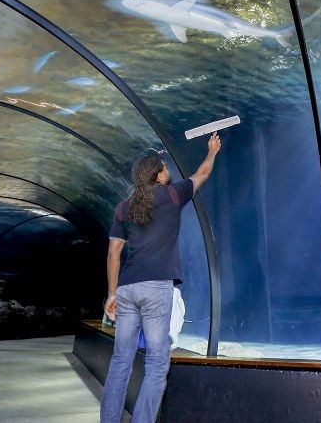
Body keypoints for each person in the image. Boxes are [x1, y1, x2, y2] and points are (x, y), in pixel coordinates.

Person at [100, 132, 221, 423]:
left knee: (121, 361)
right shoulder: (172, 195)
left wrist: (112, 294)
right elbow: (203, 173)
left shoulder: (123, 208)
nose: (169, 171)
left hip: (127, 289)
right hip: (156, 289)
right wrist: (212, 150)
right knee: (156, 363)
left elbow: (113, 253)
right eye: (165, 167)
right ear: (157, 173)